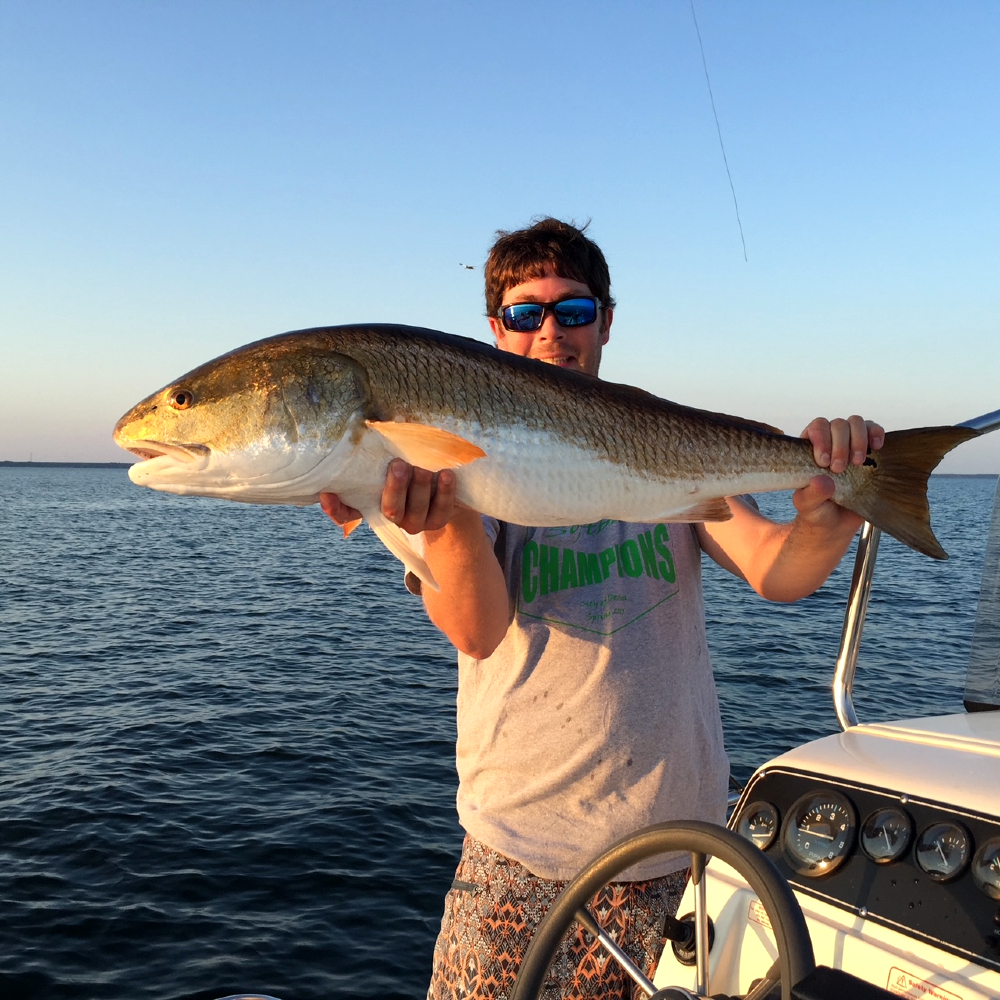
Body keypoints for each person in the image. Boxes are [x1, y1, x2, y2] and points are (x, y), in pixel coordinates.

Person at [320, 218, 883, 999]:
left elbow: (775, 571)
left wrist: (833, 513)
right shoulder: (454, 461)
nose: (552, 331)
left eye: (574, 311)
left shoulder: (664, 440)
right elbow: (476, 630)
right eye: (526, 314)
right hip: (518, 857)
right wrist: (446, 522)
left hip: (680, 858)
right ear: (495, 331)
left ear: (606, 321)